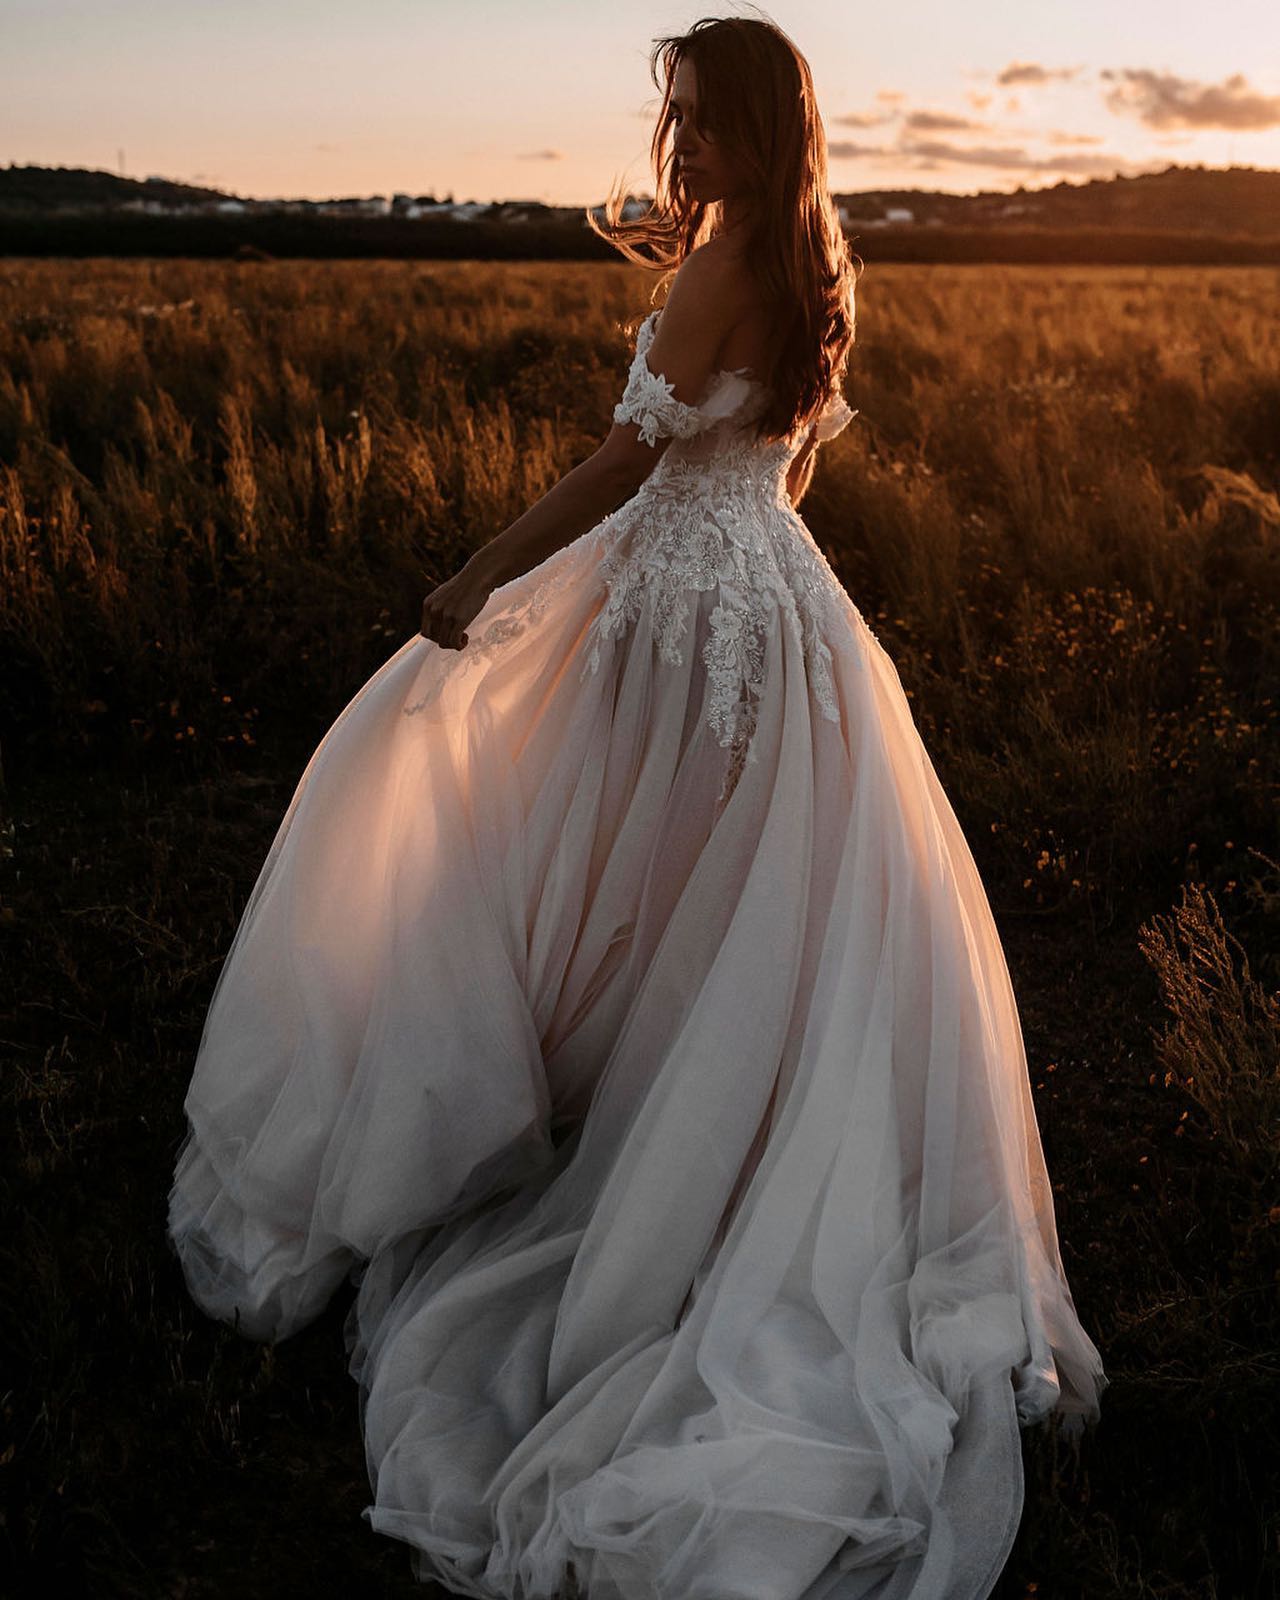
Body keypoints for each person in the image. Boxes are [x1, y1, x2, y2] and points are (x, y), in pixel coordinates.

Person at [167, 12, 1108, 1598]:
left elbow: (621, 462)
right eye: (677, 116)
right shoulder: (812, 256)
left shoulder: (732, 257)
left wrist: (481, 573)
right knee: (708, 891)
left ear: (751, 125)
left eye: (700, 117)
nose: (681, 142)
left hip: (688, 605)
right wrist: (734, 553)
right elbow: (784, 468)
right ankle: (654, 1107)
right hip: (774, 598)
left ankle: (630, 1147)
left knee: (626, 868)